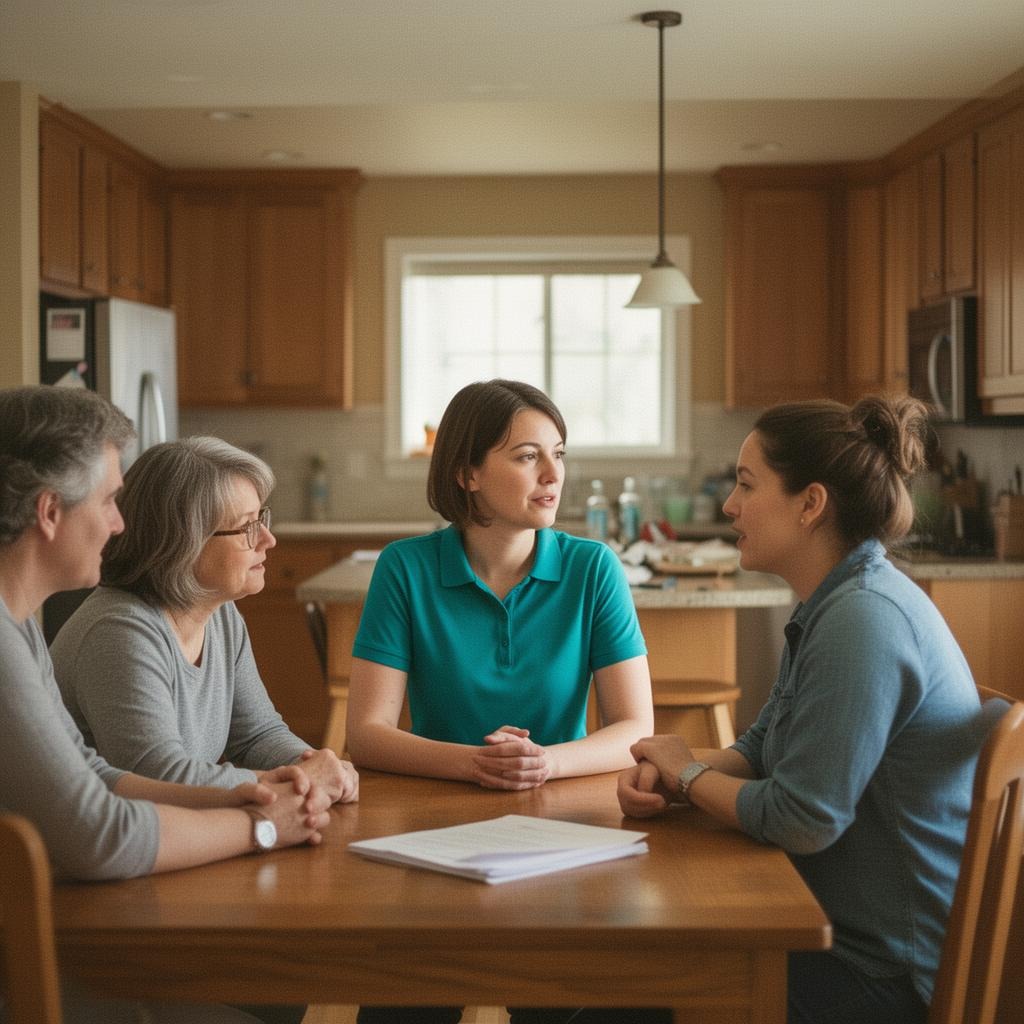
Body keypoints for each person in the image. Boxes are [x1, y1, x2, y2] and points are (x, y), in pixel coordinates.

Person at [617, 394, 1007, 1024]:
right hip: (843, 935)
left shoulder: (863, 621)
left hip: (881, 973)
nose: (729, 506)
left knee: (628, 987)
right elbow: (762, 748)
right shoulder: (832, 602)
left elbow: (803, 818)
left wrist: (689, 773)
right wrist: (671, 772)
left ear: (811, 504)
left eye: (747, 485)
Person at [0, 386, 330, 1024]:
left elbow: (93, 775)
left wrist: (245, 795)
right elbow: (100, 833)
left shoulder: (21, 628)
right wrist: (264, 824)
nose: (121, 524)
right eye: (108, 501)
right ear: (48, 513)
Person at [347, 379, 668, 1024]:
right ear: (467, 471)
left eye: (559, 453)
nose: (554, 474)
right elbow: (367, 733)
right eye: (527, 456)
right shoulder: (404, 568)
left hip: (567, 822)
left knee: (563, 992)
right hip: (433, 818)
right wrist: (474, 764)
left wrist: (542, 763)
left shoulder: (592, 568)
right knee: (406, 997)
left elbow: (635, 724)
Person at [50, 436, 358, 806]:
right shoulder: (119, 633)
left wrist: (319, 766)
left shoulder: (220, 615)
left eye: (262, 519)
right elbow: (160, 776)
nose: (268, 539)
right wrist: (293, 780)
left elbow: (258, 735)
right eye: (247, 527)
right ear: (184, 543)